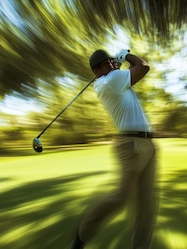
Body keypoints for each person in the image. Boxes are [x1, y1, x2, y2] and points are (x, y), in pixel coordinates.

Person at [71, 49, 158, 249]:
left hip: (148, 144)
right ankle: (82, 233)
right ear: (96, 70)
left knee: (146, 206)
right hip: (131, 146)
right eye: (106, 63)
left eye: (112, 61)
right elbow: (143, 67)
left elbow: (127, 74)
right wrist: (126, 55)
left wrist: (117, 64)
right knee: (122, 196)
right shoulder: (111, 80)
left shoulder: (112, 80)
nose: (111, 64)